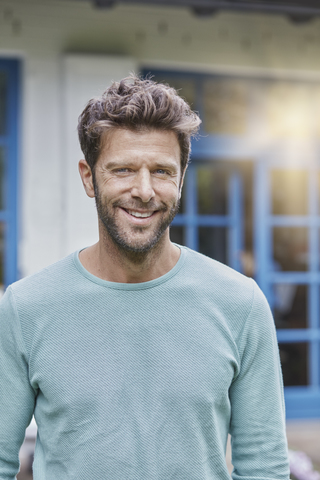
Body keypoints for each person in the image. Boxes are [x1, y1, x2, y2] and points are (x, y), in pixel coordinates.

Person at [0, 75, 289, 480]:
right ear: (88, 177)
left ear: (182, 179)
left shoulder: (240, 304)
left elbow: (265, 467)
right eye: (122, 169)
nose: (144, 190)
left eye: (162, 171)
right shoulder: (25, 307)